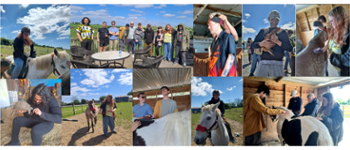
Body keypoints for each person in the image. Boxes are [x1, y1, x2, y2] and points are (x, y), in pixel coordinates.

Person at [251, 10, 293, 76]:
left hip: (278, 64)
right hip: (263, 63)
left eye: (276, 20)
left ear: (279, 20)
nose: (274, 22)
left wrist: (278, 42)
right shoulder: (263, 31)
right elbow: (252, 45)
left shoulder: (283, 32)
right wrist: (261, 44)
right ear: (268, 19)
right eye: (272, 19)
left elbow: (290, 48)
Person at [326, 6, 350, 76]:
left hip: (346, 69)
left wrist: (332, 57)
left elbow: (348, 59)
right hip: (339, 66)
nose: (330, 24)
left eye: (331, 21)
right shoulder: (338, 29)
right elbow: (331, 41)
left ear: (339, 19)